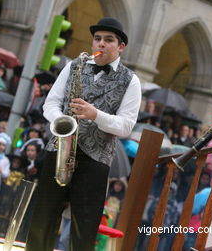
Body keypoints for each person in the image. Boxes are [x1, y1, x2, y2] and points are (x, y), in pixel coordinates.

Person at [25, 17, 142, 251]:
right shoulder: (73, 66)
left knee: (84, 226)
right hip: (59, 149)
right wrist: (62, 121)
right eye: (97, 39)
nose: (101, 44)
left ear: (121, 46)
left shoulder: (132, 80)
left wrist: (94, 114)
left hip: (95, 159)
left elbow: (126, 126)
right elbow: (51, 103)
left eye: (108, 40)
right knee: (42, 218)